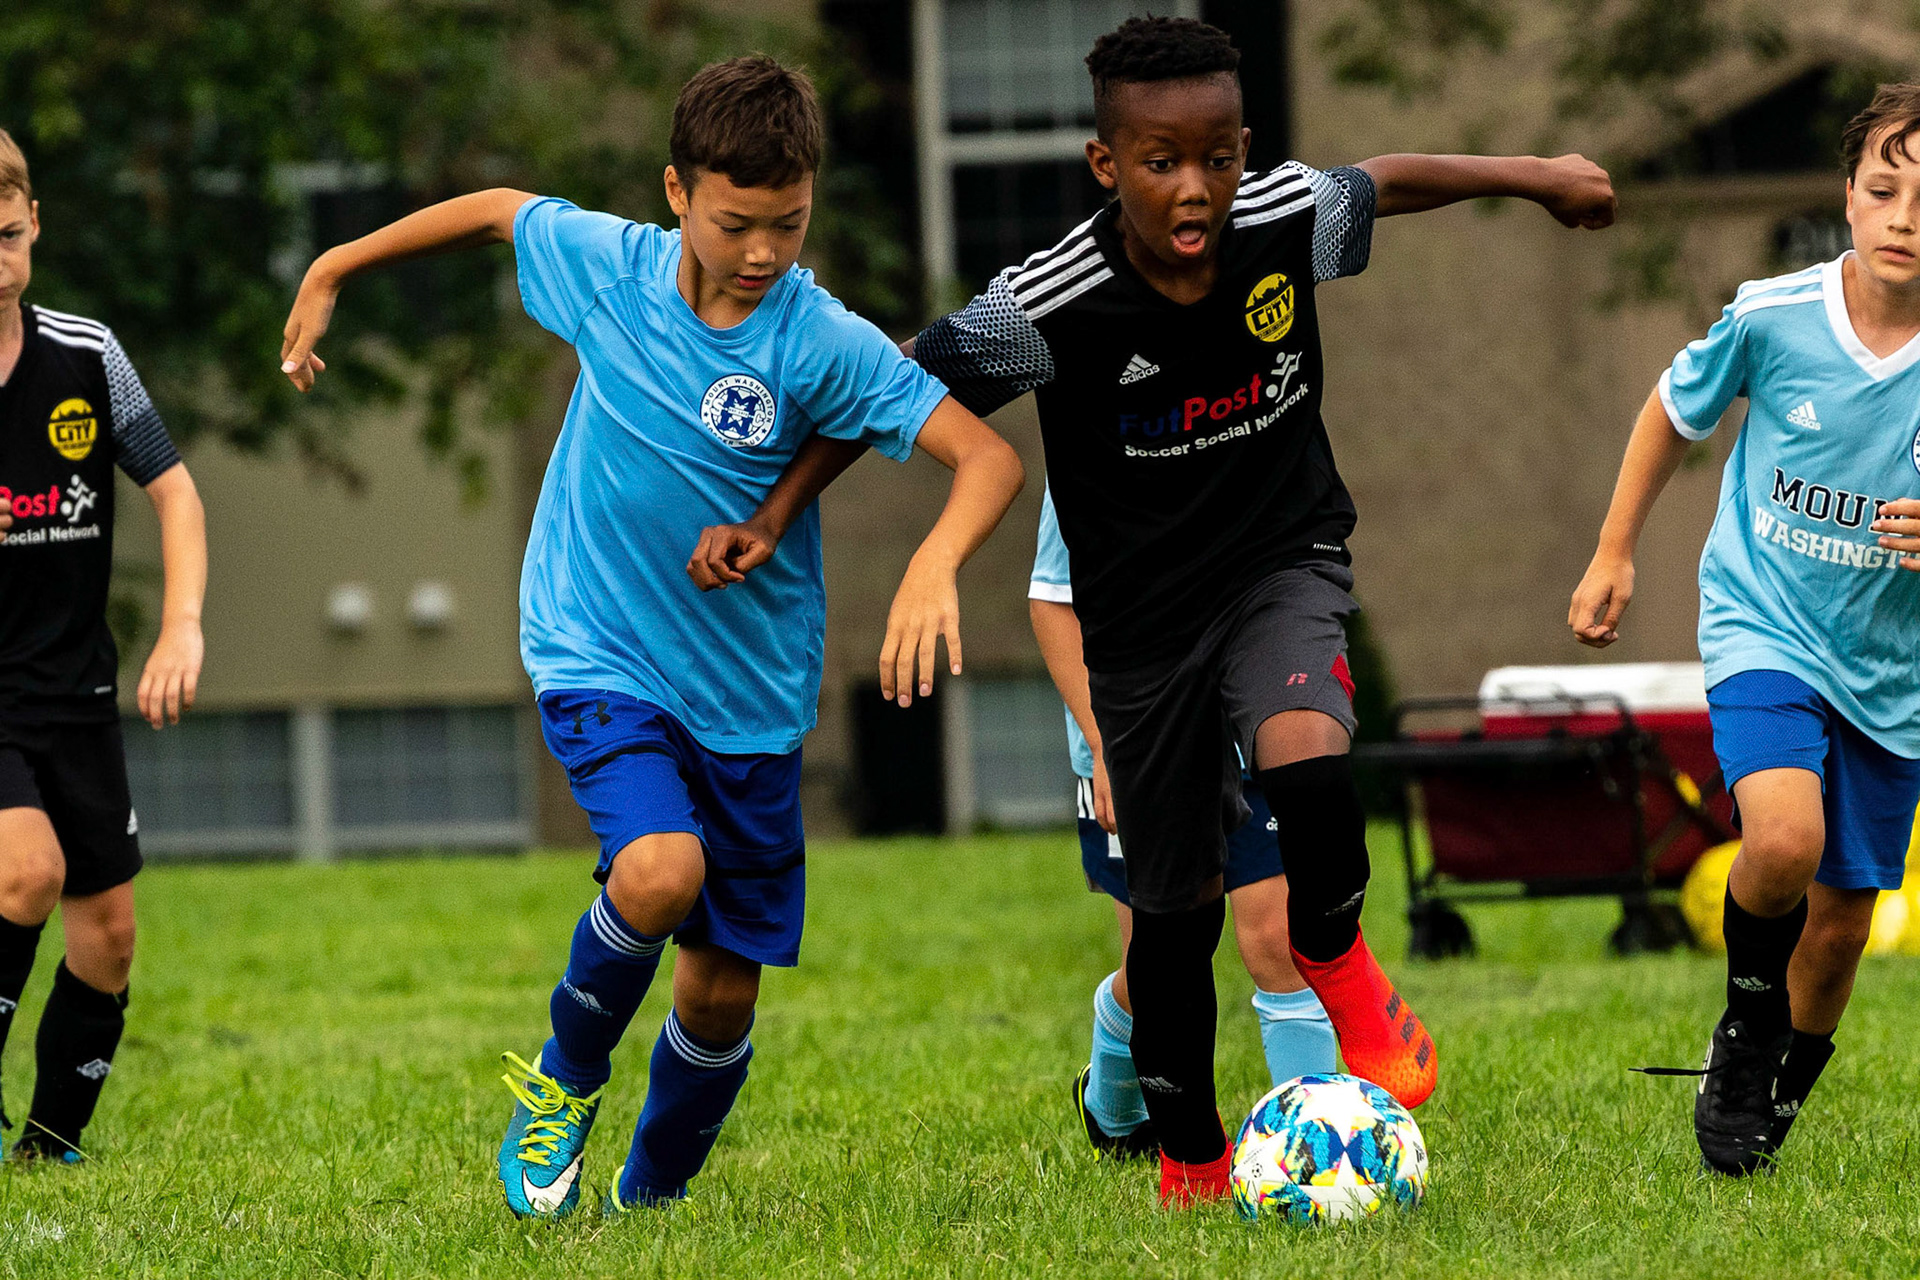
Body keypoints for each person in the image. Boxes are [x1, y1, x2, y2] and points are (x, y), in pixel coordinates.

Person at [696, 16, 1616, 1206]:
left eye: (1218, 158)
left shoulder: (1281, 216)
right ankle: (1190, 1160)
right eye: (1160, 162)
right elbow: (896, 387)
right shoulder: (1050, 299)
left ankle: (1339, 957)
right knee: (1171, 920)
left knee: (1310, 764)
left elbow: (1386, 181)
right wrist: (774, 513)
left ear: (1246, 148)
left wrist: (1539, 179)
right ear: (1105, 164)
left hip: (1282, 565)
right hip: (1139, 631)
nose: (1196, 190)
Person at [278, 56, 1024, 1217]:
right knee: (660, 871)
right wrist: (333, 265)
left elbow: (986, 457)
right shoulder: (608, 271)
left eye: (789, 221)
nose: (765, 250)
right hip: (596, 645)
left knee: (721, 996)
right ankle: (565, 1081)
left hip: (749, 692)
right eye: (738, 223)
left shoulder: (818, 338)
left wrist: (933, 563)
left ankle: (648, 1206)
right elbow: (494, 210)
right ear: (677, 191)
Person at [1570, 84, 1920, 1177]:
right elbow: (1672, 412)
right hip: (1764, 616)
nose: (1906, 216)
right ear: (1847, 196)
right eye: (1884, 189)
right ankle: (1742, 1033)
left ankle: (1782, 1088)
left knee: (1844, 924)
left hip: (1893, 667)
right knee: (1780, 839)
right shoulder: (1773, 314)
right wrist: (1615, 548)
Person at [0, 127, 207, 1163]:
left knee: (109, 938)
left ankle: (48, 1151)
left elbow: (172, 490)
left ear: (33, 223)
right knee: (23, 871)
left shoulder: (87, 355)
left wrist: (181, 624)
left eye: (6, 236)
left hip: (75, 692)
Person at [1029, 484, 1334, 1160]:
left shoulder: (1251, 430)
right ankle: (1111, 1108)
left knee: (1281, 940)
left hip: (1247, 731)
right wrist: (1107, 744)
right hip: (1139, 742)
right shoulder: (1096, 446)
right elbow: (1053, 603)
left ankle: (1314, 1150)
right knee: (1158, 969)